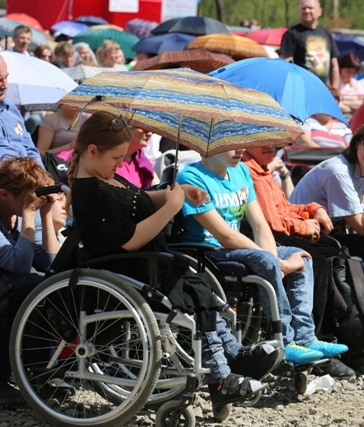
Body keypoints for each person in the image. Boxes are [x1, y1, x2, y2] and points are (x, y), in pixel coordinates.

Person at [67, 111, 278, 405]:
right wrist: (171, 207)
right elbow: (130, 239)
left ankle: (231, 352)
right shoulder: (91, 189)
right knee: (190, 292)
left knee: (200, 285)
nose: (120, 163)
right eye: (116, 158)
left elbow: (139, 199)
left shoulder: (106, 178)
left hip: (148, 260)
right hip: (125, 264)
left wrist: (179, 193)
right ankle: (218, 376)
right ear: (92, 151)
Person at [176, 148, 348, 365]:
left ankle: (305, 337)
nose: (240, 149)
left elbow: (259, 224)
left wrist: (278, 259)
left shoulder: (240, 171)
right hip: (208, 251)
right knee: (267, 260)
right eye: (232, 143)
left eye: (242, 143)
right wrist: (278, 263)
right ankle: (283, 340)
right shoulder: (191, 177)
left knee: (301, 255)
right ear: (210, 145)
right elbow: (225, 235)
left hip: (237, 248)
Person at [241, 145, 357, 378]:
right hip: (258, 237)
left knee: (334, 253)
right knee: (318, 260)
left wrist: (314, 208)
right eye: (267, 143)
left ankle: (312, 337)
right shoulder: (248, 171)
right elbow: (270, 221)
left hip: (268, 233)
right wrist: (306, 225)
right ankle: (305, 337)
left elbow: (284, 208)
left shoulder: (261, 169)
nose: (272, 149)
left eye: (277, 145)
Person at [290, 121, 364, 299]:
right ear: (358, 141)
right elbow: (363, 227)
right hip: (302, 238)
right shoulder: (339, 171)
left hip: (327, 238)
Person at [0, 157, 58, 403]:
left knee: (47, 287)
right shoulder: (23, 216)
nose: (32, 201)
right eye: (27, 196)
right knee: (31, 288)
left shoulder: (21, 219)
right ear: (3, 194)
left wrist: (44, 216)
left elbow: (52, 264)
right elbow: (19, 266)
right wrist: (28, 212)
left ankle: (40, 375)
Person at [280, 0, 340, 91]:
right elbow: (285, 65)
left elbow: (334, 65)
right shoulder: (292, 34)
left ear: (319, 11)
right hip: (300, 89)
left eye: (310, 8)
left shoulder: (326, 33)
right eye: (303, 8)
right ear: (299, 11)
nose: (307, 11)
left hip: (322, 90)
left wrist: (335, 89)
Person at [0, 56, 43, 166]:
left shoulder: (11, 109)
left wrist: (42, 176)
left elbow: (30, 149)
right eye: (0, 79)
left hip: (28, 177)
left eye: (6, 78)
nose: (5, 85)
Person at [337, 53, 364, 118]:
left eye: (353, 72)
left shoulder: (356, 84)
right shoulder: (333, 82)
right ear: (341, 68)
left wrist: (343, 103)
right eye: (348, 71)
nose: (351, 75)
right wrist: (353, 105)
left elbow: (362, 104)